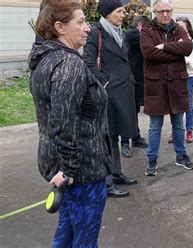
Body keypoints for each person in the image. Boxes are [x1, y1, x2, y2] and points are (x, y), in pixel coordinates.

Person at [29, 0, 111, 246]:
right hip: (81, 170)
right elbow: (64, 120)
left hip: (65, 166)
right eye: (81, 21)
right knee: (85, 240)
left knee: (67, 232)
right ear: (60, 27)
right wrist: (70, 169)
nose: (87, 27)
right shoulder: (68, 63)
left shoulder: (46, 59)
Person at [83, 0, 138, 198]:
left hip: (123, 90)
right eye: (119, 11)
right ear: (107, 14)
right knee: (106, 136)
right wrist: (105, 84)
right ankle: (106, 182)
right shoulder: (95, 33)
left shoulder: (118, 32)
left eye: (123, 11)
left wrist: (129, 79)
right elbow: (88, 62)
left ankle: (116, 173)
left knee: (115, 134)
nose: (123, 15)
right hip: (109, 93)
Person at [140, 0, 193, 176]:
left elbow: (188, 47)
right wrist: (175, 52)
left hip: (176, 84)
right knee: (155, 126)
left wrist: (165, 46)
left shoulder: (179, 28)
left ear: (172, 11)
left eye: (168, 11)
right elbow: (149, 53)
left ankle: (181, 156)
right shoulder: (147, 30)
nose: (165, 14)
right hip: (156, 85)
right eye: (161, 11)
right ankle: (152, 159)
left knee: (179, 125)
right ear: (154, 12)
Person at [120, 15, 151, 158]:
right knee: (128, 111)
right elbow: (149, 44)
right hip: (129, 79)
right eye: (146, 28)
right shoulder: (132, 34)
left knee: (134, 109)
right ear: (140, 26)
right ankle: (125, 143)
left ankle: (136, 137)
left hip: (136, 78)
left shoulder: (134, 34)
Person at [176, 16, 193, 143]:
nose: (179, 27)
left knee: (188, 104)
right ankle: (176, 130)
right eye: (177, 25)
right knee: (175, 104)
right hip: (174, 76)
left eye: (182, 25)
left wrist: (189, 63)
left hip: (188, 76)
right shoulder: (172, 40)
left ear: (187, 27)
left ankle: (189, 130)